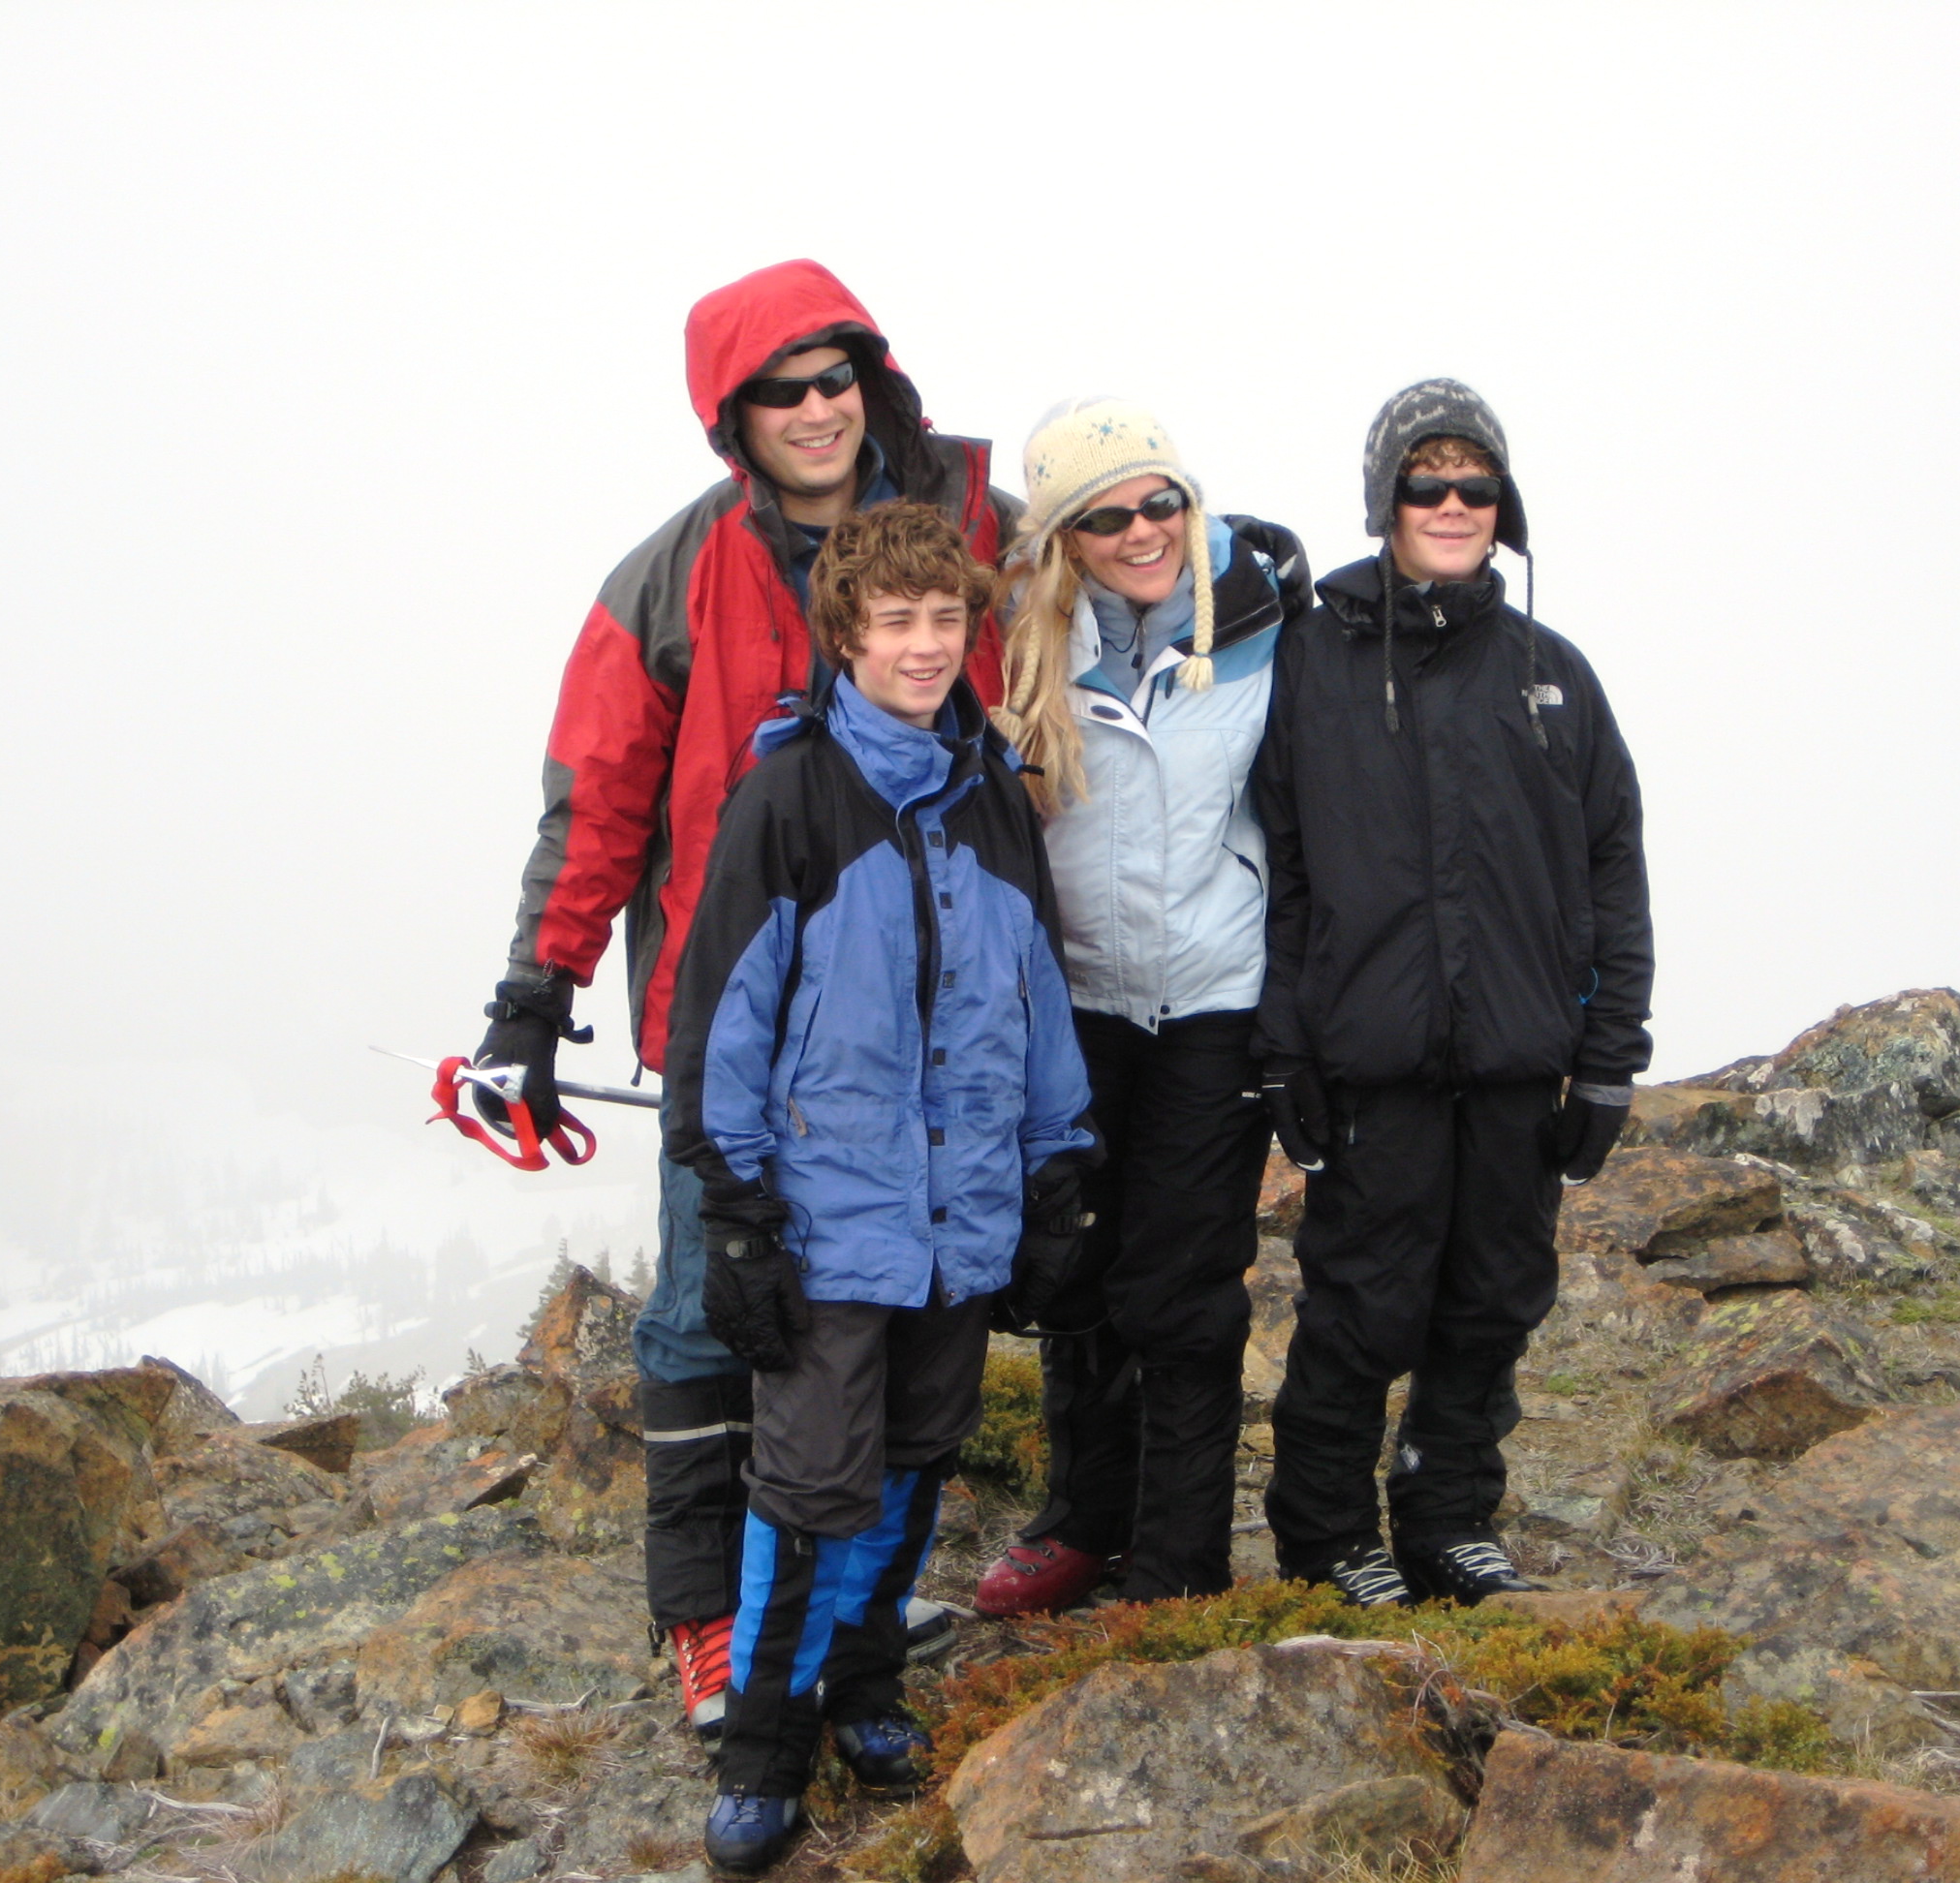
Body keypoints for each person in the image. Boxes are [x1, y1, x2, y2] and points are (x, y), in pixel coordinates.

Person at [467, 260, 1016, 1746]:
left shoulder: (971, 524)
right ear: (732, 416)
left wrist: (1237, 572)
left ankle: (841, 1600)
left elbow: (1123, 551)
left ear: (872, 381)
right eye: (781, 391)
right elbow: (596, 799)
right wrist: (534, 995)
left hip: (926, 1027)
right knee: (714, 1313)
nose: (817, 409)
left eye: (837, 377)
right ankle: (705, 1615)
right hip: (735, 1025)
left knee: (897, 1306)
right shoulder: (673, 574)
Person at [663, 501, 1098, 1872]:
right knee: (808, 1489)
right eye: (895, 620)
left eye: (945, 618)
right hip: (828, 1224)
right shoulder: (790, 796)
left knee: (915, 1461)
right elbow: (720, 1021)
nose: (924, 645)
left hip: (961, 1218)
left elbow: (1037, 993)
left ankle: (864, 1690)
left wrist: (1058, 1169)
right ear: (845, 635)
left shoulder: (991, 794)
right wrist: (736, 1213)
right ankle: (764, 1750)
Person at [1253, 378, 1652, 1608]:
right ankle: (1326, 1536)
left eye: (1475, 484)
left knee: (1492, 1301)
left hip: (1521, 1063)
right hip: (1373, 1062)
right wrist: (1285, 1048)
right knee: (1362, 1308)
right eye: (1426, 481)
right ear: (1385, 498)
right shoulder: (1311, 661)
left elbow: (1614, 867)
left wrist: (1608, 1059)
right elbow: (1278, 869)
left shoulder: (1552, 673)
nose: (1452, 503)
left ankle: (1446, 1519)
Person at [972, 399, 1310, 1614]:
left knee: (1184, 1283)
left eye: (1160, 501)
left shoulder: (1269, 623)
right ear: (1064, 535)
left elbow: (1306, 819)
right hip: (1076, 1006)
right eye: (1104, 517)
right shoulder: (1026, 638)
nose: (1141, 531)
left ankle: (1177, 1564)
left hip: (1212, 1001)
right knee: (1076, 1266)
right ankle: (1082, 1521)